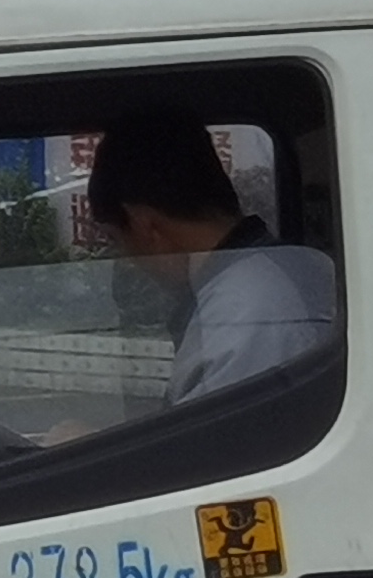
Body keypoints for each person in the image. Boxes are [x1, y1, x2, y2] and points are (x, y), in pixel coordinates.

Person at [88, 112, 339, 401]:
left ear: (145, 226)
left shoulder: (246, 312)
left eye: (117, 240)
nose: (129, 260)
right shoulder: (282, 269)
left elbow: (216, 431)